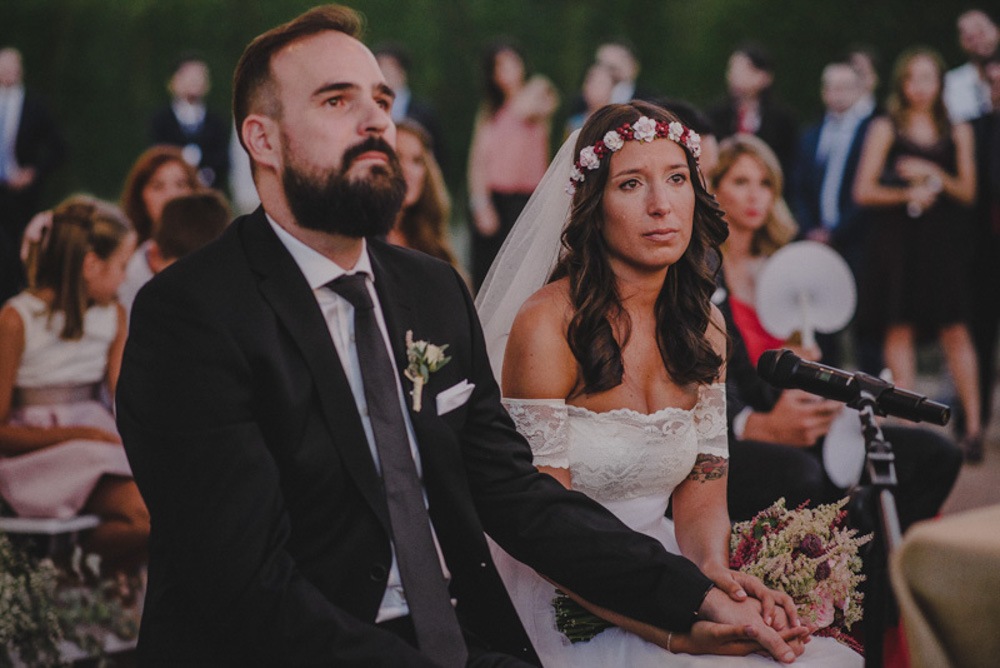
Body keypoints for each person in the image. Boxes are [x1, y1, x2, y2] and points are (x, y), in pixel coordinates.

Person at [116, 7, 807, 666]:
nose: (376, 121)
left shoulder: (431, 293)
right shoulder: (189, 317)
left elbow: (519, 498)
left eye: (382, 100)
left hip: (455, 632)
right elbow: (249, 591)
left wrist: (695, 601)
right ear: (261, 139)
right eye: (337, 101)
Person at [477, 101, 857, 666]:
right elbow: (544, 526)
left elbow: (702, 503)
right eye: (631, 184)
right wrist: (675, 625)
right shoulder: (547, 325)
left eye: (676, 179)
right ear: (592, 206)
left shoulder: (705, 327)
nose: (661, 206)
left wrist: (719, 580)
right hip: (562, 586)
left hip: (670, 572)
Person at [708, 135, 961, 666]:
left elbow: (831, 364)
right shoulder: (702, 273)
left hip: (815, 421)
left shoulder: (793, 268)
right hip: (752, 431)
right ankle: (836, 592)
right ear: (714, 190)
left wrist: (816, 370)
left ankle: (874, 595)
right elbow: (712, 381)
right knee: (808, 479)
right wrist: (756, 422)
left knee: (936, 455)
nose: (755, 195)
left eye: (765, 183)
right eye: (740, 181)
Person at [0, 196, 148, 571]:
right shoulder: (18, 319)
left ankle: (97, 601)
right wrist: (80, 435)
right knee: (145, 516)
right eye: (122, 265)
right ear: (90, 264)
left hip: (98, 442)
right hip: (38, 455)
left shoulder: (113, 315)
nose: (125, 277)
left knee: (174, 499)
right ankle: (56, 574)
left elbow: (122, 396)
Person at [853, 48, 981, 460]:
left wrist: (935, 176)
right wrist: (907, 193)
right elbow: (863, 190)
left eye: (928, 77)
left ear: (940, 82)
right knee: (899, 329)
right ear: (902, 84)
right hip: (899, 244)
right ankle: (908, 428)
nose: (920, 86)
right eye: (912, 78)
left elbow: (968, 192)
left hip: (941, 245)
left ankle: (974, 429)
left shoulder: (957, 129)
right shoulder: (885, 126)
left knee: (955, 330)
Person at [793, 61, 879, 368]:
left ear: (858, 90)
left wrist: (838, 232)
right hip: (816, 242)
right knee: (821, 325)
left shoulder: (872, 132)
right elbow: (799, 186)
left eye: (844, 87)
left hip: (858, 241)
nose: (837, 94)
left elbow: (868, 191)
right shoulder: (812, 134)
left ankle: (871, 403)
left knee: (866, 326)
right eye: (831, 87)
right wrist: (811, 230)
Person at [467, 40, 558, 289]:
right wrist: (480, 202)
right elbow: (477, 161)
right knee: (485, 274)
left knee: (519, 277)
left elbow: (527, 109)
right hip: (494, 197)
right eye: (498, 66)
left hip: (525, 200)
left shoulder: (539, 91)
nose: (504, 71)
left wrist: (518, 89)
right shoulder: (489, 110)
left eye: (510, 64)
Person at [0, 47, 67, 303]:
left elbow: (59, 149)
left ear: (21, 70)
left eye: (12, 66)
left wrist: (33, 173)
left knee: (19, 251)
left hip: (21, 197)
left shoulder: (35, 106)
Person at [116, 145, 200, 312]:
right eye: (158, 186)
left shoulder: (215, 251)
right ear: (141, 196)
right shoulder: (126, 259)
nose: (171, 196)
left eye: (180, 185)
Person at [708, 43, 798, 191]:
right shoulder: (717, 116)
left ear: (764, 77)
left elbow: (789, 167)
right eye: (732, 69)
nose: (734, 76)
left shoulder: (781, 121)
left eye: (743, 70)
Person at [968, 49, 1000, 454]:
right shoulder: (975, 129)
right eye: (992, 83)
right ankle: (977, 427)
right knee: (980, 336)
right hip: (982, 253)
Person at [387, 118, 461, 269]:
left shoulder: (430, 240)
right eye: (397, 157)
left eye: (417, 160)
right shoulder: (360, 242)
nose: (407, 170)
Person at [149, 53, 230, 190]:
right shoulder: (161, 120)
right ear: (173, 81)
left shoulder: (217, 121)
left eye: (199, 76)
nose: (194, 81)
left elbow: (222, 160)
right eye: (188, 76)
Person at [374, 42, 447, 172]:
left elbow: (438, 156)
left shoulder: (424, 113)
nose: (385, 73)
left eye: (390, 67)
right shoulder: (369, 110)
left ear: (402, 72)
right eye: (380, 67)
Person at [943, 9, 999, 124]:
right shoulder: (951, 85)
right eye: (970, 38)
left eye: (981, 32)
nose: (978, 41)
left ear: (997, 31)